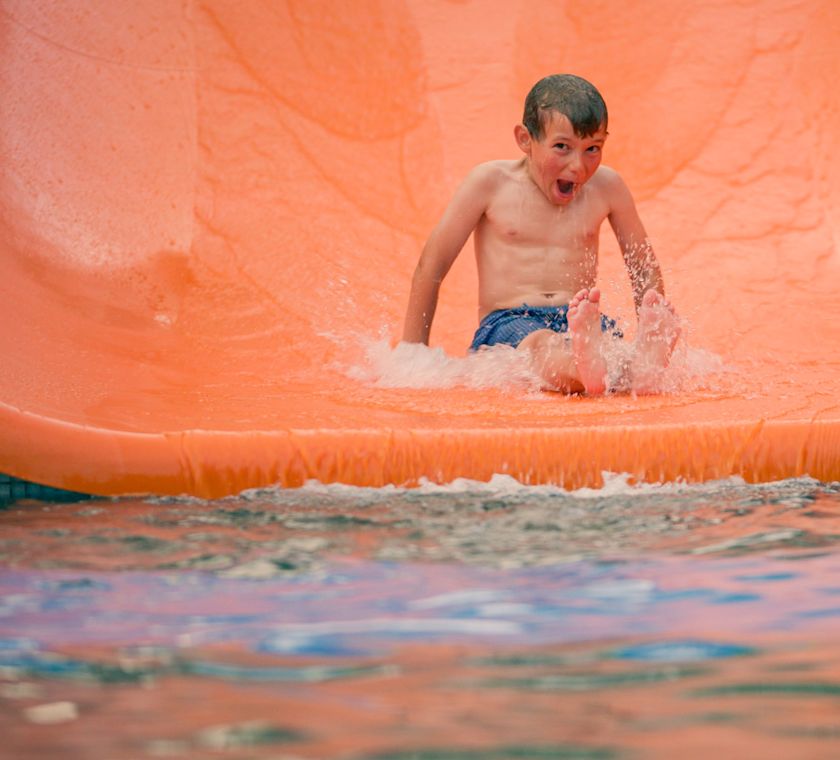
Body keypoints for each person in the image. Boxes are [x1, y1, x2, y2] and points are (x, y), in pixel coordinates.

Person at [401, 74, 680, 395]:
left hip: (580, 317)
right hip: (509, 320)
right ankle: (587, 365)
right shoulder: (490, 184)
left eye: (593, 148)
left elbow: (642, 265)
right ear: (525, 139)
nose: (578, 166)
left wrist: (651, 320)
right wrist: (412, 352)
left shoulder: (608, 187)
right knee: (542, 348)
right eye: (562, 147)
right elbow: (432, 265)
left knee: (609, 349)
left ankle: (638, 360)